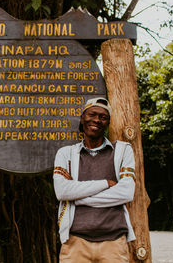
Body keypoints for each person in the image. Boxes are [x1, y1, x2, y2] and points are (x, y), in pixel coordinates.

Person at [53, 97, 136, 262]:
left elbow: (126, 193)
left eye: (103, 117)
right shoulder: (66, 154)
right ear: (83, 117)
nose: (97, 120)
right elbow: (62, 192)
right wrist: (105, 183)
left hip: (113, 243)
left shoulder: (122, 151)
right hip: (75, 242)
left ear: (107, 123)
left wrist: (77, 198)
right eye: (92, 114)